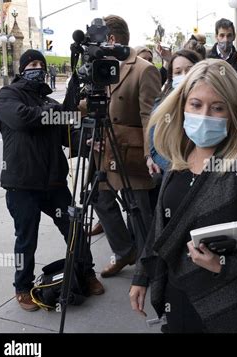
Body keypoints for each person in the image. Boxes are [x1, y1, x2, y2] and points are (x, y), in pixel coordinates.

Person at [129, 59, 237, 333]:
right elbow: (162, 224)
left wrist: (224, 264)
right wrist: (142, 275)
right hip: (178, 297)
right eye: (196, 104)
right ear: (183, 105)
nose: (204, 115)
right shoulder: (179, 150)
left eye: (217, 107)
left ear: (233, 111)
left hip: (231, 305)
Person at [0, 49, 104, 311]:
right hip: (22, 184)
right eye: (31, 63)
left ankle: (86, 273)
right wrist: (55, 115)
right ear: (22, 69)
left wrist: (86, 140)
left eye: (40, 64)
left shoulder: (51, 103)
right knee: (26, 238)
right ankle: (22, 288)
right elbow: (22, 119)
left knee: (73, 229)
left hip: (54, 183)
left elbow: (66, 136)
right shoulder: (8, 95)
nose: (37, 67)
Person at [89, 15, 161, 278]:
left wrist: (149, 153)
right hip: (103, 149)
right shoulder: (101, 67)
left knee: (138, 209)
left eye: (97, 38)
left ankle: (148, 267)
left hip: (130, 153)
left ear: (111, 39)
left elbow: (150, 117)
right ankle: (124, 251)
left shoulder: (143, 69)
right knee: (98, 197)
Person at [147, 49, 203, 176]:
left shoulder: (209, 102)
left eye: (189, 70)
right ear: (171, 77)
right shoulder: (161, 105)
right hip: (174, 174)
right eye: (178, 72)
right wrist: (177, 168)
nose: (184, 75)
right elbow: (154, 148)